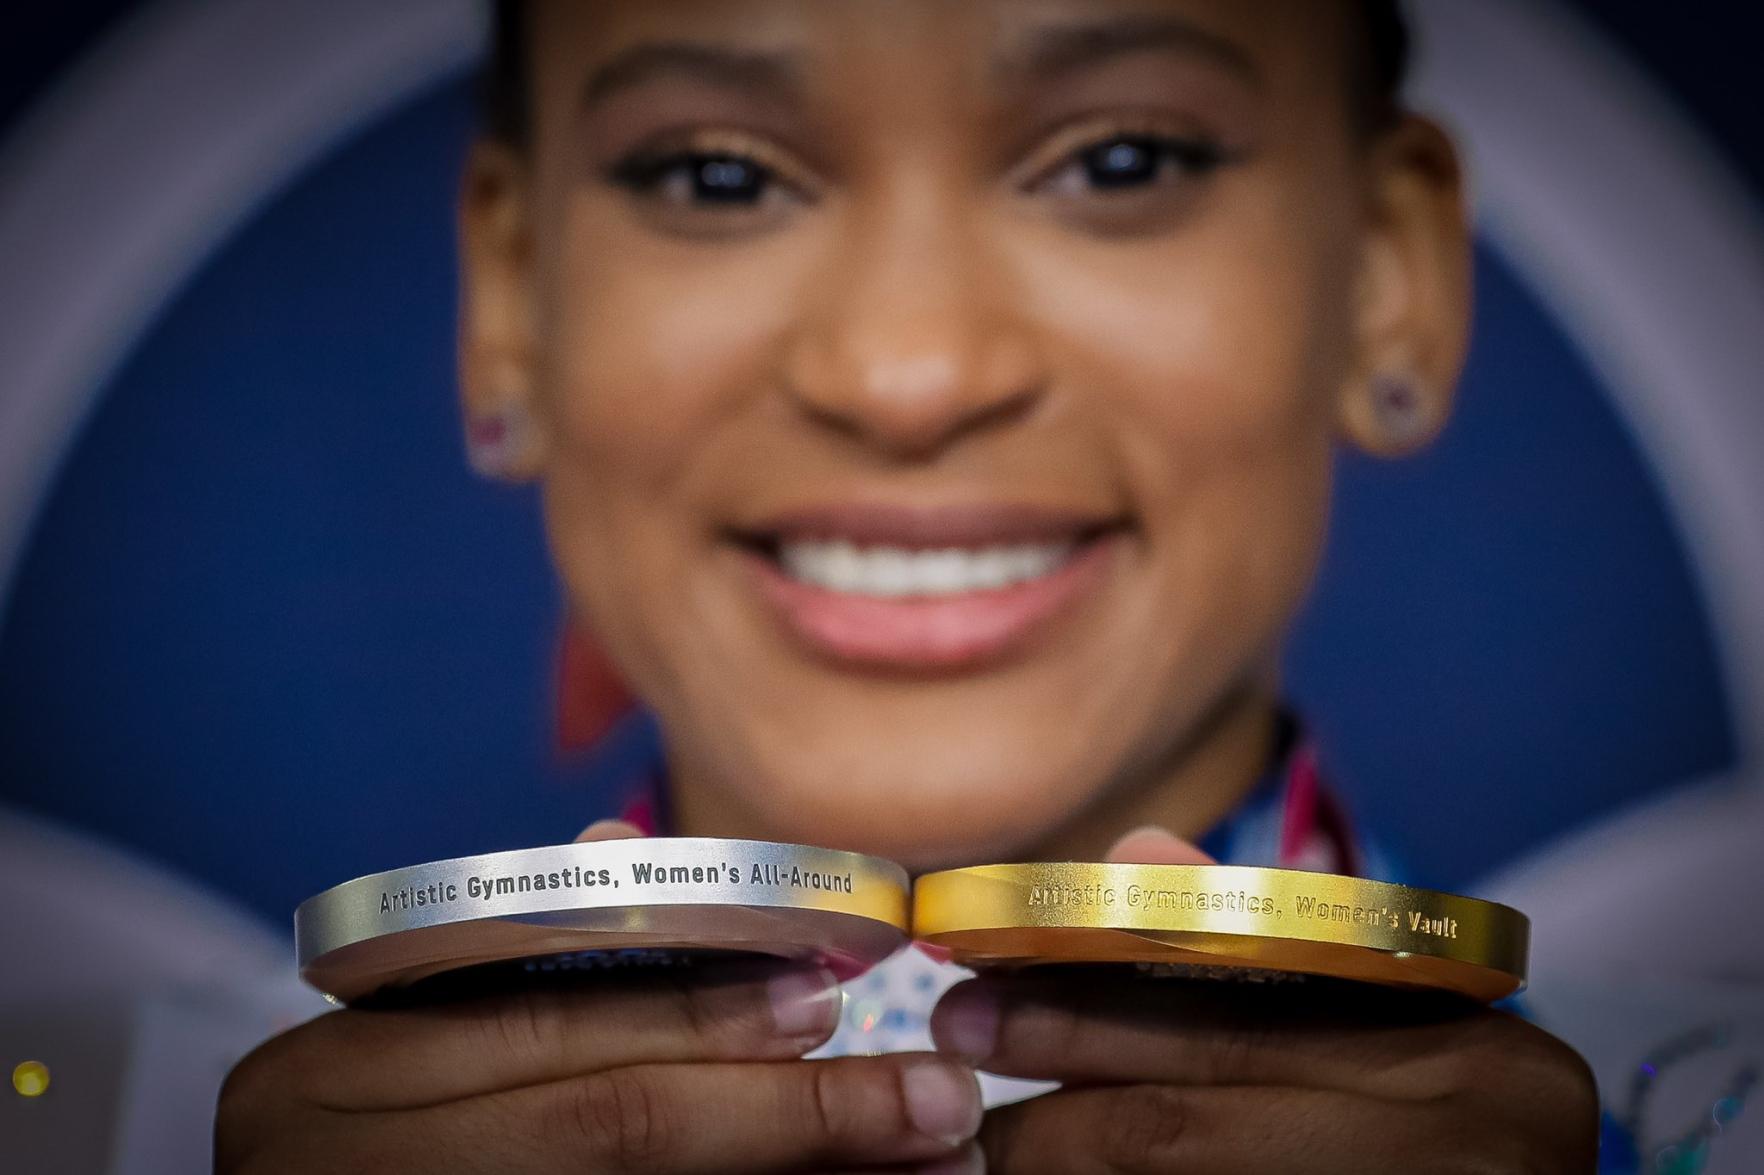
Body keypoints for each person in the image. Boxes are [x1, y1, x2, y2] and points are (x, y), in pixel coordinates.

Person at [216, 2, 1602, 1170]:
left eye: (1121, 158)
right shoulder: (100, 1116)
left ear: (1386, 275)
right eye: (717, 176)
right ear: (512, 292)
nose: (908, 376)